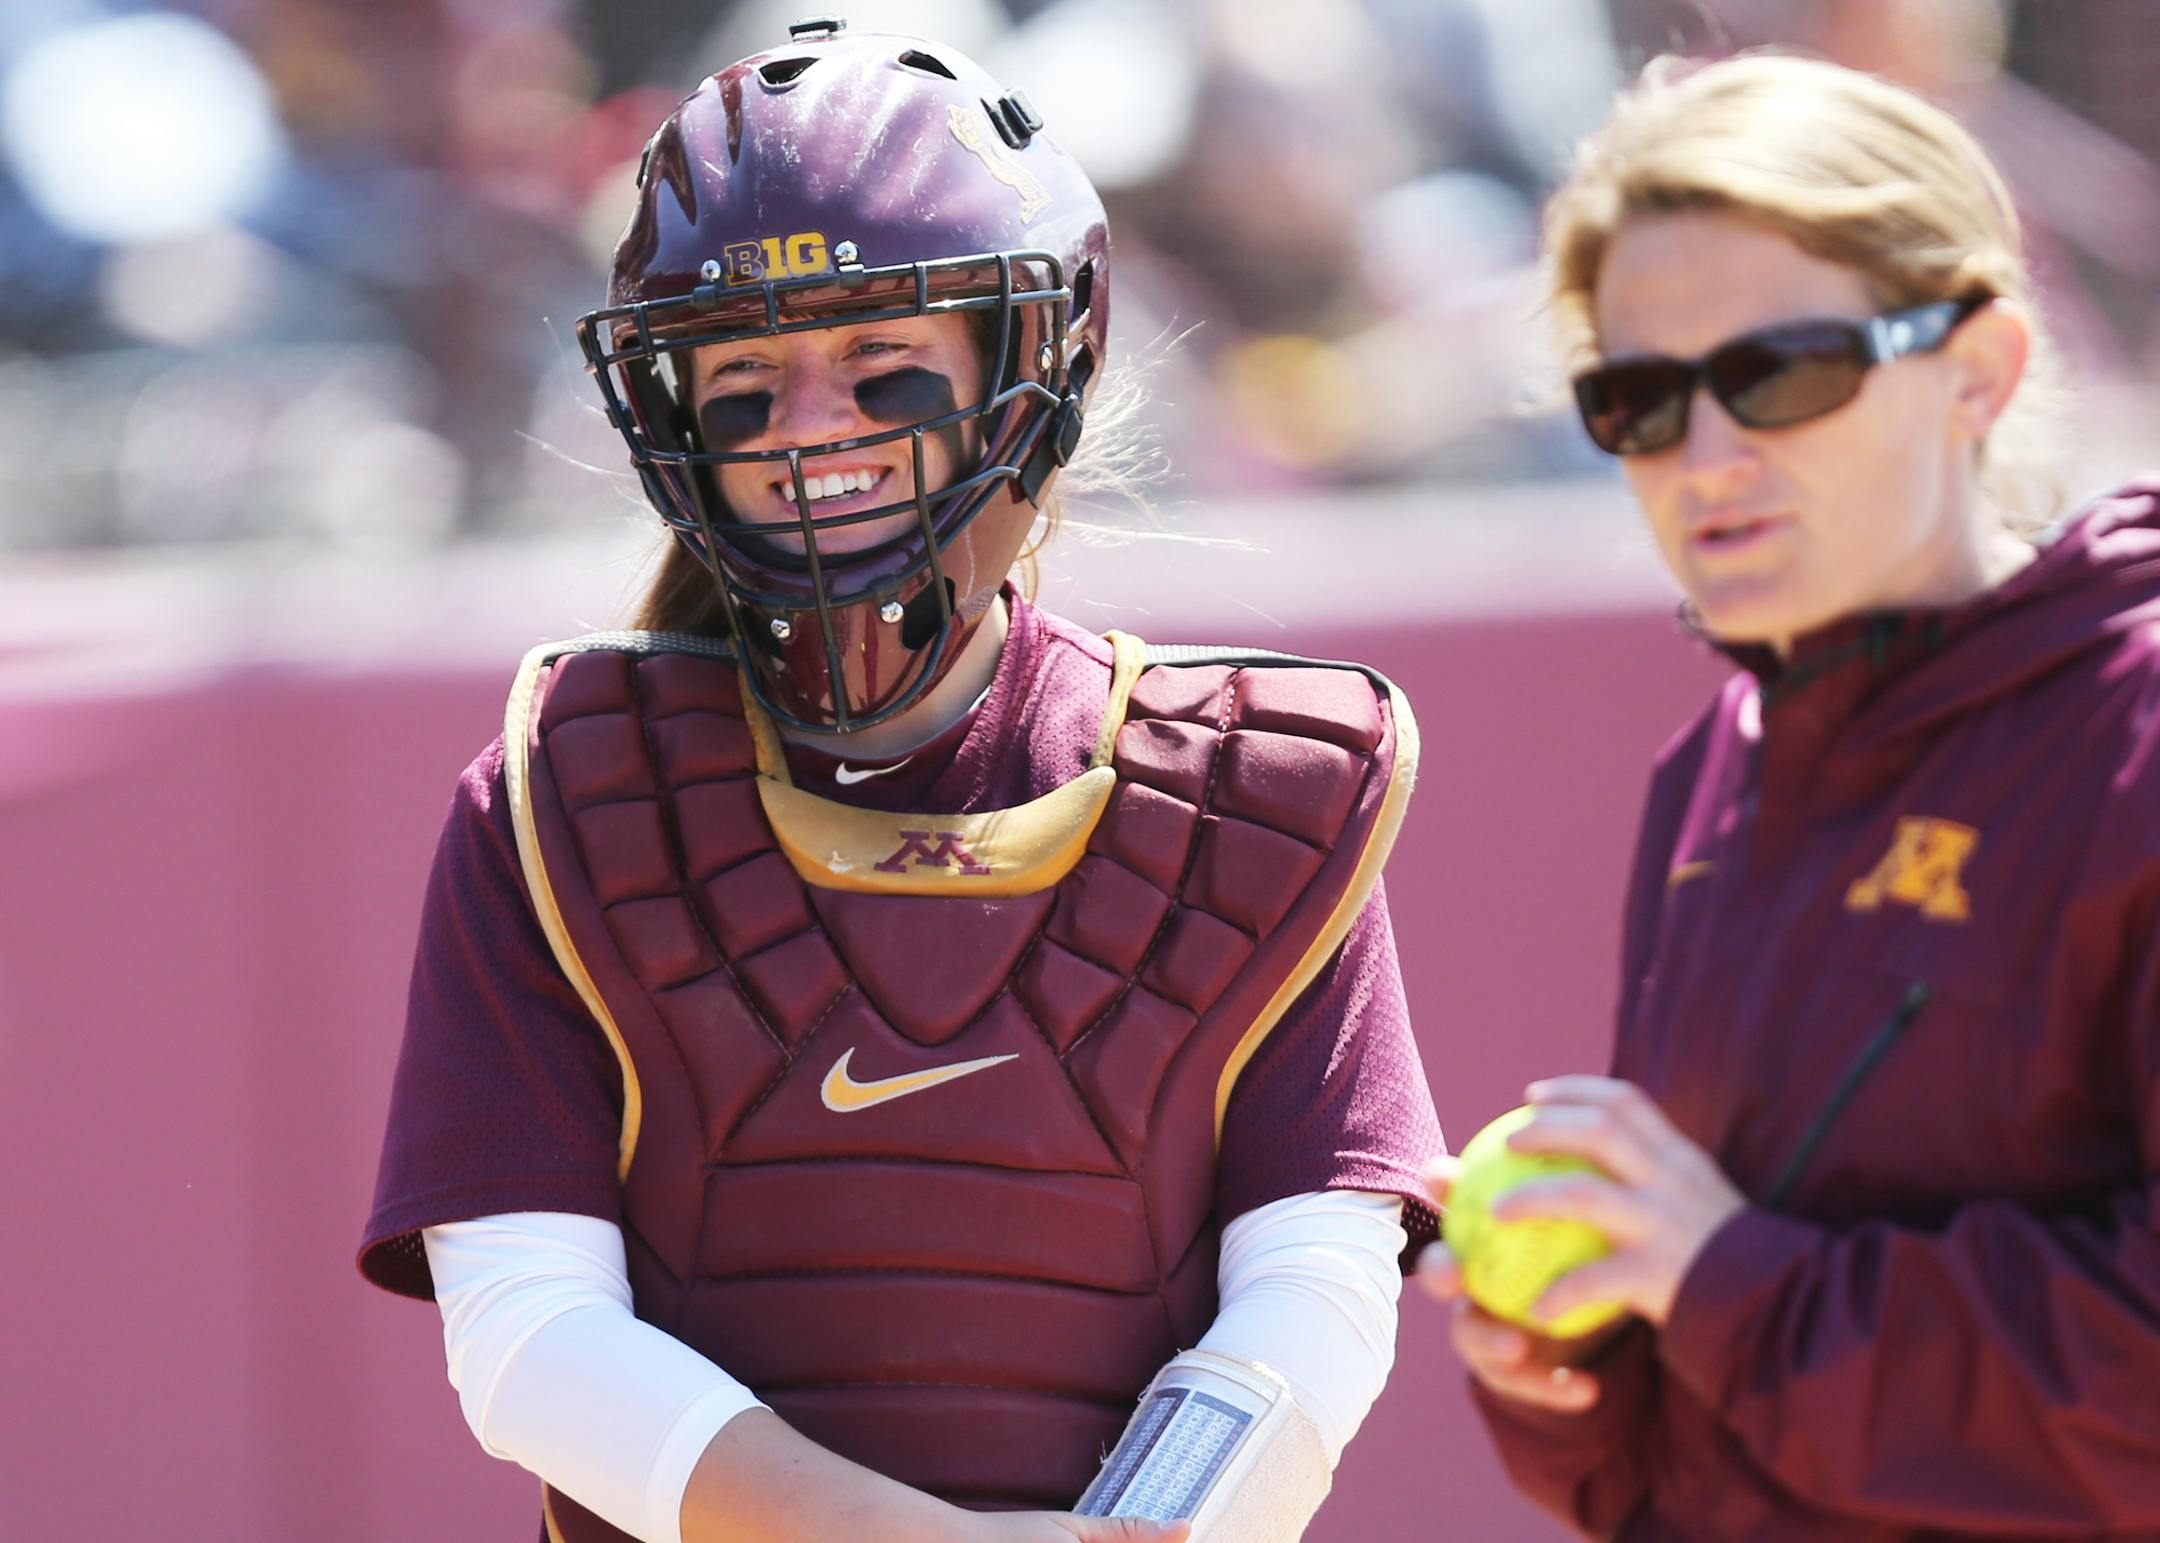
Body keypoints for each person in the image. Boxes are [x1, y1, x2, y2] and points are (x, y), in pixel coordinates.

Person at [357, 19, 1442, 1543]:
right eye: (745, 380)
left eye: (882, 368)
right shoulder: (556, 803)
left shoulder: (1260, 795)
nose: (813, 435)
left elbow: (1320, 1296)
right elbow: (529, 1347)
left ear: (1035, 362)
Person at [1420, 50, 2160, 1540]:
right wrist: (1583, 1376)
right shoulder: (1717, 766)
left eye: (1782, 373)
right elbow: (1707, 1440)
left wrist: (1727, 1288)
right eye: (1637, 399)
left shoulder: (2133, 733)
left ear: (1981, 371)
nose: (1708, 456)